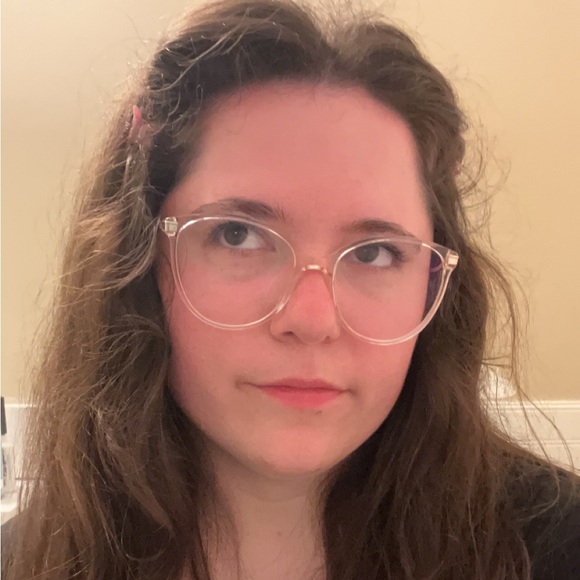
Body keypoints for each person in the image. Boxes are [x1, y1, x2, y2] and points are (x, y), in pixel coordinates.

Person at [2, 0, 579, 578]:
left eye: (375, 253)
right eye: (238, 236)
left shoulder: (557, 546)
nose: (311, 319)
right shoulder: (30, 560)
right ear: (141, 259)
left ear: (435, 284)